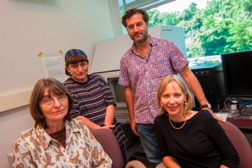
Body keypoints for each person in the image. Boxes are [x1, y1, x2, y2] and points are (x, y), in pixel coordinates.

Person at [118, 8, 224, 167]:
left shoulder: (167, 46)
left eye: (139, 24)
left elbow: (187, 75)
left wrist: (204, 105)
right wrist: (132, 118)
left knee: (180, 157)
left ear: (146, 24)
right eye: (130, 26)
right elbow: (128, 89)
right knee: (155, 161)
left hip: (171, 117)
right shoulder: (126, 59)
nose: (136, 29)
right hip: (144, 121)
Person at [12, 78, 112, 167]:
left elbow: (104, 161)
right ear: (38, 106)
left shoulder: (79, 127)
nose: (57, 104)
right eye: (47, 100)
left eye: (61, 97)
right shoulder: (24, 145)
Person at [154, 75, 239, 168]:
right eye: (166, 96)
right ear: (160, 99)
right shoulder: (160, 122)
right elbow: (165, 154)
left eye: (177, 95)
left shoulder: (204, 118)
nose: (172, 101)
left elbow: (232, 158)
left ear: (185, 97)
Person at [63, 49, 128, 165]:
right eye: (74, 66)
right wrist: (102, 131)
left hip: (113, 131)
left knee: (121, 162)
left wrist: (106, 127)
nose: (80, 69)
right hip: (91, 138)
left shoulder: (98, 79)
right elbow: (76, 116)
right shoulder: (66, 88)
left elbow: (110, 103)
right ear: (67, 68)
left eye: (83, 64)